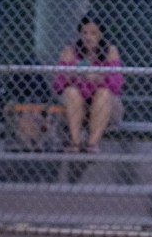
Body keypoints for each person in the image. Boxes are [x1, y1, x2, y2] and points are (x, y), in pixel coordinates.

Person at [53, 11, 124, 153]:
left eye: (93, 33)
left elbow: (117, 85)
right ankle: (75, 142)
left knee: (103, 93)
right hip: (76, 104)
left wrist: (99, 78)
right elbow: (58, 84)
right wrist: (74, 76)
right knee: (71, 92)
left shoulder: (110, 51)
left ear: (101, 34)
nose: (88, 37)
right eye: (85, 33)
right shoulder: (70, 51)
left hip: (104, 106)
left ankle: (92, 144)